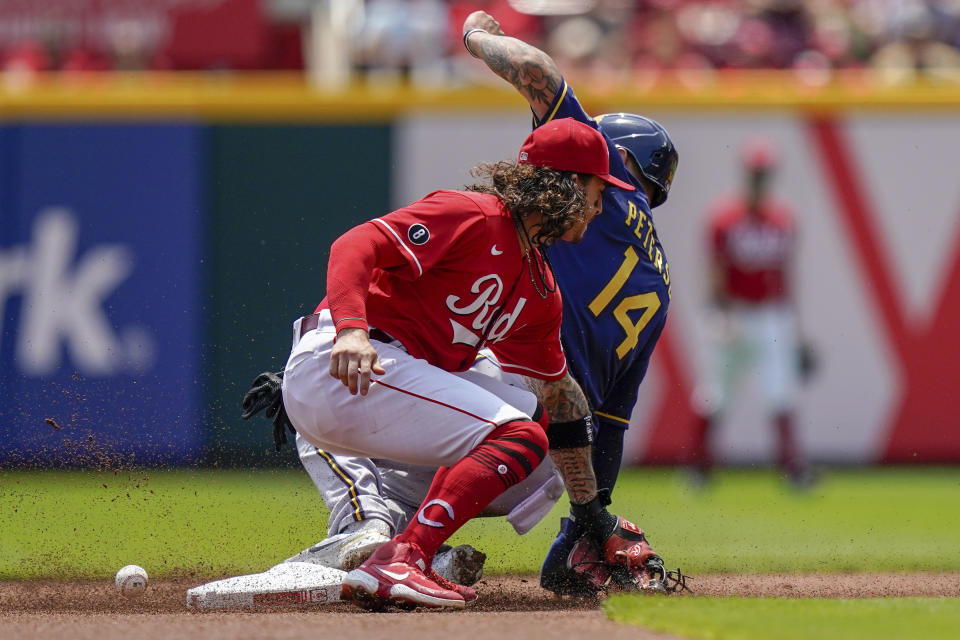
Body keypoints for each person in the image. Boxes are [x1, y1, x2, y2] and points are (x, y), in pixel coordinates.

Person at [252, 9, 683, 598]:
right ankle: (385, 538)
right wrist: (349, 330)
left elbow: (563, 400)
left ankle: (393, 537)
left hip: (404, 378)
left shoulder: (540, 285)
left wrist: (594, 520)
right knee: (520, 438)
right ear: (567, 182)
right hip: (355, 358)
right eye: (595, 188)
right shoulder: (481, 215)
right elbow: (356, 244)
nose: (600, 200)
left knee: (527, 440)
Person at [688, 138, 814, 488]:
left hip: (771, 315)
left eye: (765, 174)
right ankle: (699, 468)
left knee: (780, 390)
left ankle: (792, 468)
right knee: (716, 392)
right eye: (756, 174)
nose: (760, 181)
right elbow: (715, 269)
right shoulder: (725, 219)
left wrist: (796, 327)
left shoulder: (782, 219)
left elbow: (785, 276)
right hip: (734, 312)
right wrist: (719, 311)